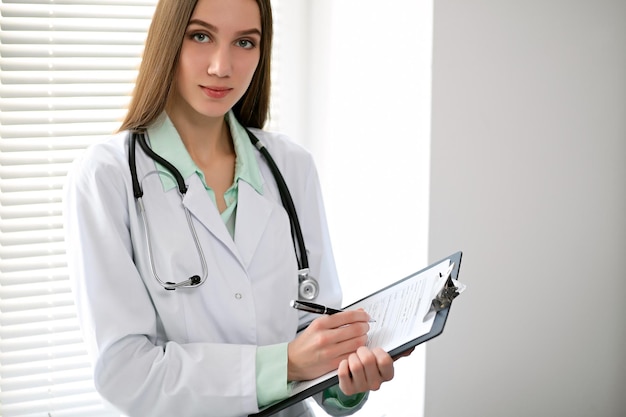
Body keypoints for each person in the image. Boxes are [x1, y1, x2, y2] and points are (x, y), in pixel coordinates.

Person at [63, 0, 404, 416]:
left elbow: (315, 335)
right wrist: (286, 363)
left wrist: (345, 383)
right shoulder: (107, 177)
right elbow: (125, 372)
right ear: (168, 39)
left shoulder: (291, 167)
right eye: (201, 36)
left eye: (245, 42)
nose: (222, 66)